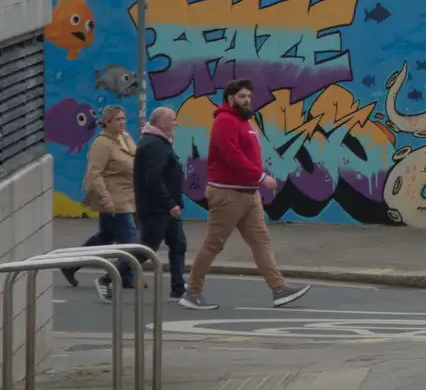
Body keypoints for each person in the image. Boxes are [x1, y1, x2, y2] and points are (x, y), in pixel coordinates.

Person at [180, 79, 309, 310]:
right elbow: (233, 156)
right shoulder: (225, 121)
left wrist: (257, 179)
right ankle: (192, 292)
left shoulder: (245, 121)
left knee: (262, 242)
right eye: (241, 97)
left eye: (249, 96)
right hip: (228, 194)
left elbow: (248, 156)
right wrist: (261, 177)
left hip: (249, 194)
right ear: (230, 98)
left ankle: (279, 289)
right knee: (213, 244)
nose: (247, 100)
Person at [79, 105, 138, 302]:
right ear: (106, 123)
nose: (122, 122)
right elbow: (94, 174)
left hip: (128, 197)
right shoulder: (102, 144)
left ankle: (70, 265)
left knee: (106, 237)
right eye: (117, 120)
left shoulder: (124, 137)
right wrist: (105, 199)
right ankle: (108, 279)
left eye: (123, 118)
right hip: (114, 200)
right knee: (133, 243)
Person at [134, 107, 188, 299]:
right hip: (157, 209)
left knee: (178, 244)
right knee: (147, 248)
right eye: (173, 120)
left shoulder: (160, 142)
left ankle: (178, 287)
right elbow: (153, 178)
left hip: (168, 207)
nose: (176, 123)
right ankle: (108, 278)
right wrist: (169, 204)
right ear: (161, 124)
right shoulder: (153, 145)